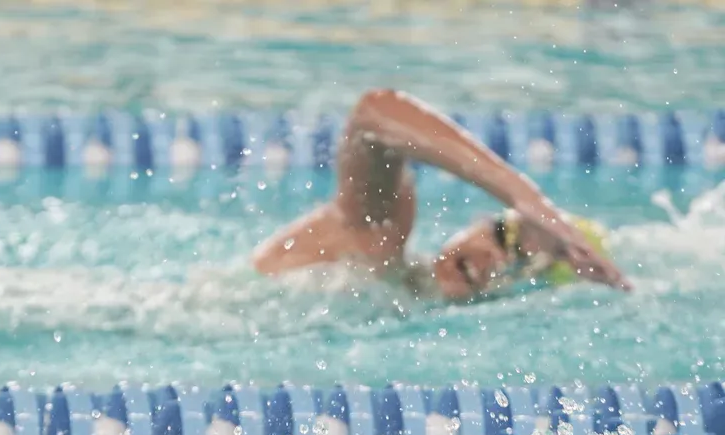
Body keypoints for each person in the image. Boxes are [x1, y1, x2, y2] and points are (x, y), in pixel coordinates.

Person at [251, 89, 632, 300]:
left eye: (520, 264)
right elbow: (372, 114)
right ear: (476, 223)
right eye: (502, 234)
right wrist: (523, 197)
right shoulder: (380, 231)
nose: (493, 259)